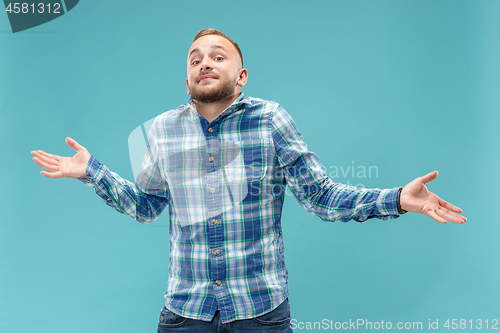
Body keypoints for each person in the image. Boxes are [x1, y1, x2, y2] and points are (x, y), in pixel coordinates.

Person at [31, 29, 467, 333]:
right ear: (187, 79)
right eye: (195, 58)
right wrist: (93, 172)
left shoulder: (271, 120)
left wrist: (395, 198)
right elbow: (147, 206)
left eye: (218, 56)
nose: (205, 62)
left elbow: (320, 196)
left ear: (240, 77)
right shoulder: (163, 130)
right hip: (185, 313)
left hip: (261, 313)